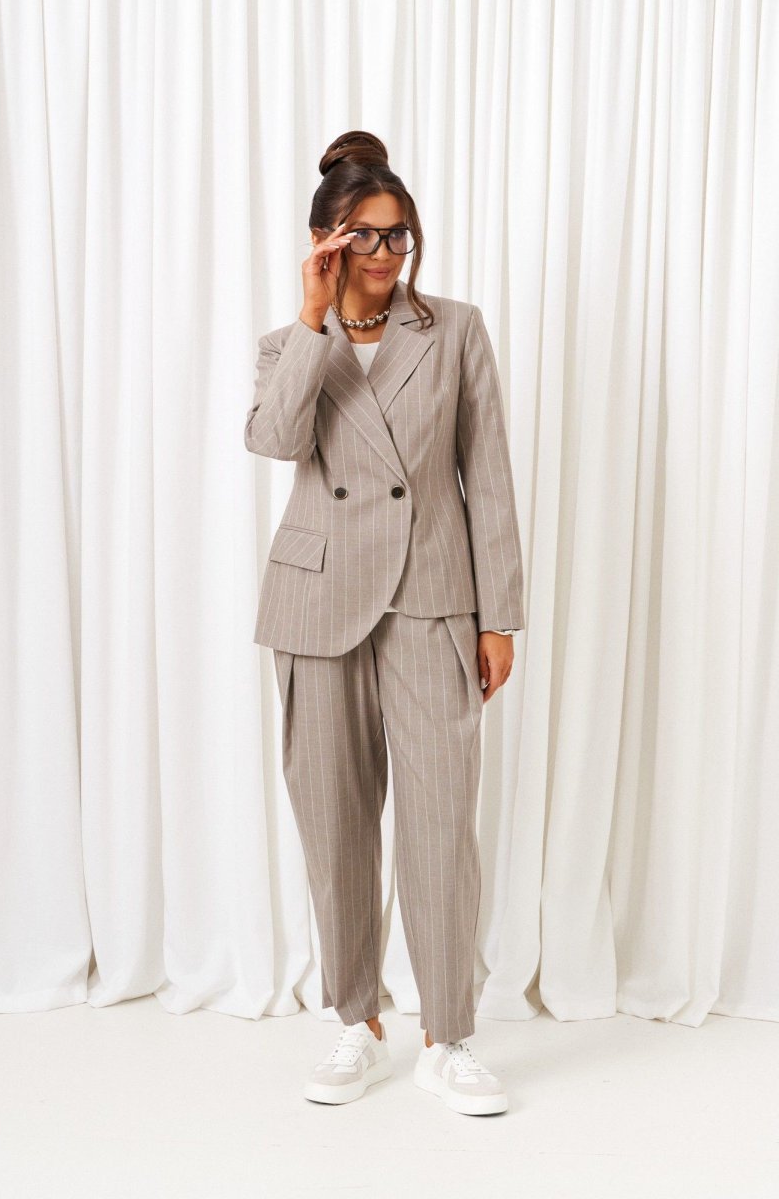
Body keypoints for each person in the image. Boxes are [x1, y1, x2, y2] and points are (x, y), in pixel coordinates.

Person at [244, 131, 525, 1117]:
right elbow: (274, 439)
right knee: (333, 825)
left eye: (397, 234)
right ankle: (354, 1020)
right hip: (317, 601)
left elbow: (486, 474)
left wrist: (500, 616)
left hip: (432, 598)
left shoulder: (454, 330)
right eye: (363, 235)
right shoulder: (290, 345)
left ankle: (448, 1035)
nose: (384, 252)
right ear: (325, 241)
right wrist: (313, 318)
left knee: (441, 825)